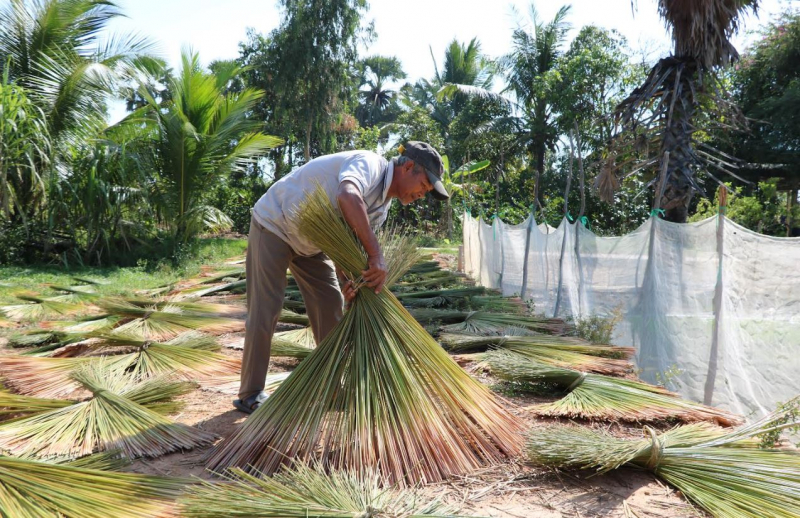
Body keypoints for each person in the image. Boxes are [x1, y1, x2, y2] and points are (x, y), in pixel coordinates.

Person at [234, 141, 449, 413]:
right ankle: (250, 393)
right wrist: (376, 256)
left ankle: (333, 389)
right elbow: (347, 196)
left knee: (330, 305)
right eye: (424, 186)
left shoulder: (381, 209)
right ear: (408, 167)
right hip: (276, 224)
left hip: (312, 244)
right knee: (266, 308)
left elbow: (346, 240)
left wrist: (349, 280)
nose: (423, 194)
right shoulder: (370, 164)